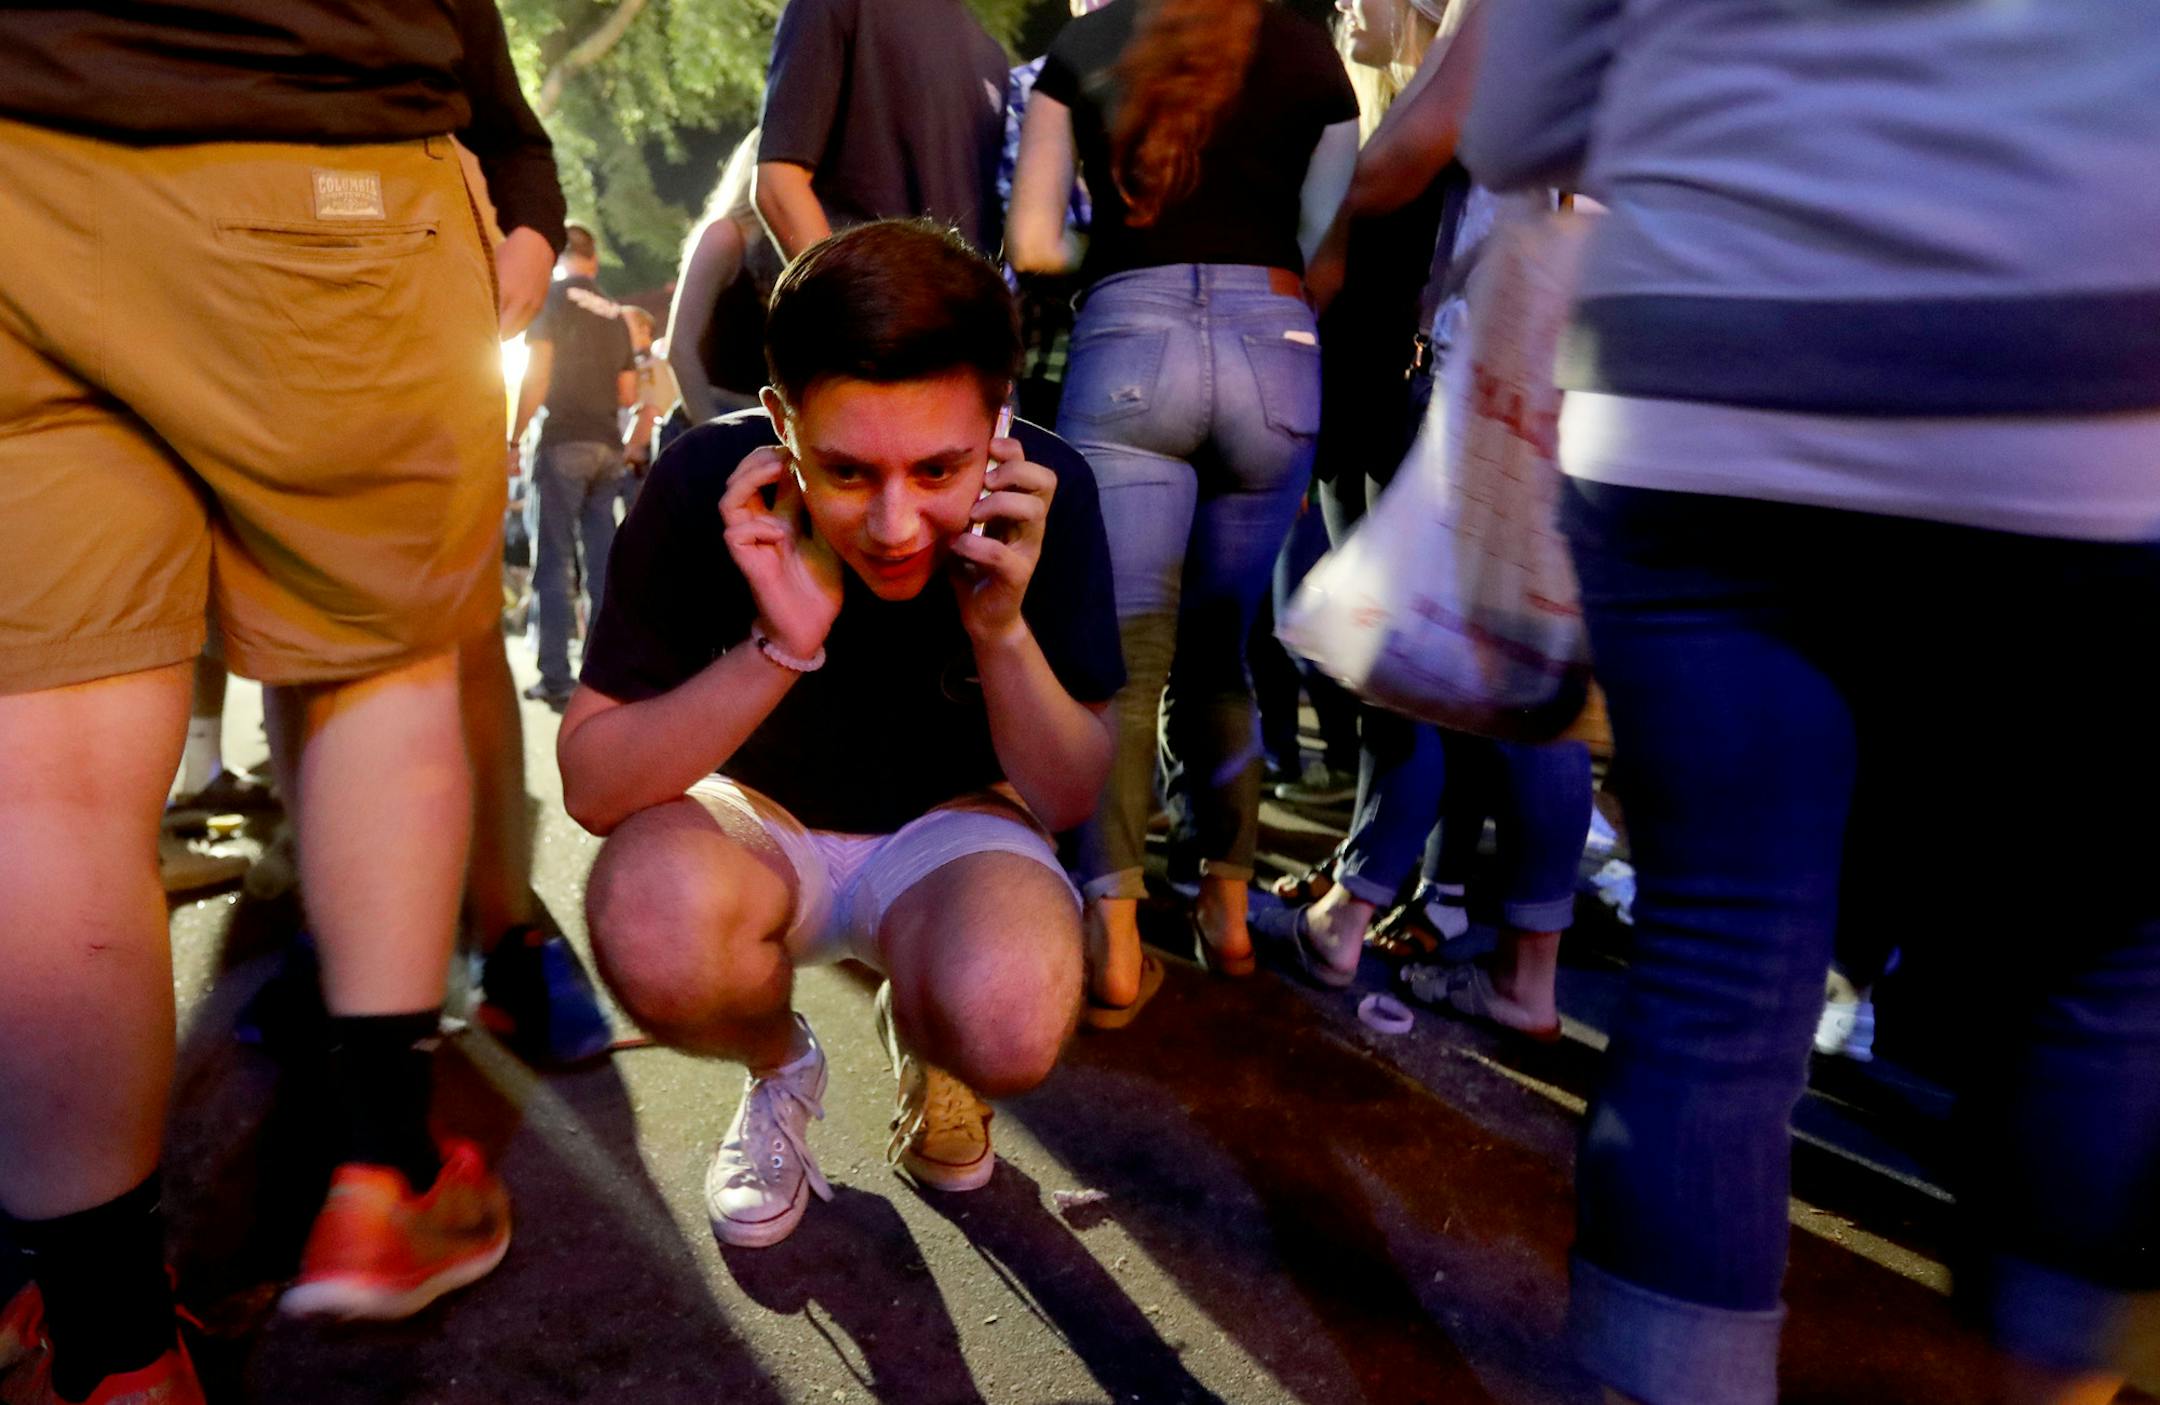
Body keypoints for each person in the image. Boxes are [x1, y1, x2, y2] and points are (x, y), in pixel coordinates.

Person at [1465, 2, 2160, 1402]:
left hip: (1702, 383)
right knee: (2105, 953)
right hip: (2082, 376)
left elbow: (1517, 124)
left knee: (1718, 965)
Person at [0, 0, 556, 1395]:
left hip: (20, 159)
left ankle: (112, 1341)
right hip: (320, 148)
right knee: (380, 666)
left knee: (43, 766)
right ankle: (381, 1181)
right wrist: (517, 164)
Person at [559, 219, 1122, 1246]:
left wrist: (999, 627)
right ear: (780, 420)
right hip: (760, 819)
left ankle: (934, 1036)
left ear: (1001, 422)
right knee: (649, 915)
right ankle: (782, 1065)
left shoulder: (1050, 492)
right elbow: (594, 785)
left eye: (939, 470)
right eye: (849, 471)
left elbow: (1071, 793)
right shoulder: (700, 483)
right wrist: (781, 645)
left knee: (1013, 1010)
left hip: (954, 834)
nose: (896, 524)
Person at [1008, 0, 1359, 1024]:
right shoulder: (1308, 49)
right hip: (1279, 350)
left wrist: (1119, 280)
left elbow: (1031, 241)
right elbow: (1328, 245)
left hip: (1131, 347)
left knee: (1122, 657)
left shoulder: (1082, 48)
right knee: (1222, 650)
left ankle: (1112, 939)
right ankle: (1231, 909)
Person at [753, 0, 1011, 262]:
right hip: (876, 295)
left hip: (969, 297)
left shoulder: (992, 56)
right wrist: (845, 299)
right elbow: (779, 185)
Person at [513, 225, 639, 710]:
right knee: (601, 564)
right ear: (596, 259)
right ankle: (600, 679)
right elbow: (629, 393)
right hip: (608, 447)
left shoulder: (552, 298)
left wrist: (514, 432)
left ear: (558, 256)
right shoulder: (615, 314)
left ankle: (555, 677)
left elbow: (537, 372)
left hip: (564, 441)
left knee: (554, 562)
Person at [666, 129, 783, 433]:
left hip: (772, 421)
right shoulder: (726, 236)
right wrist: (708, 428)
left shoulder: (786, 242)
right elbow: (679, 346)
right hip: (722, 412)